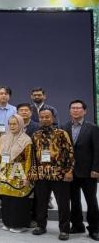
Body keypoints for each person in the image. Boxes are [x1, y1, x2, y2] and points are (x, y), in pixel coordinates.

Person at [29, 108, 74, 241]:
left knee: (63, 204)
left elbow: (70, 153)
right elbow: (33, 156)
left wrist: (69, 171)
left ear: (53, 118)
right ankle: (41, 226)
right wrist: (34, 172)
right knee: (41, 203)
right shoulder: (35, 134)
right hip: (42, 175)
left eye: (47, 117)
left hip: (59, 174)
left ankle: (64, 229)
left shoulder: (61, 133)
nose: (44, 119)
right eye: (42, 117)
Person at [62, 100, 99, 241]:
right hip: (70, 172)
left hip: (88, 172)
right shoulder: (64, 127)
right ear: (70, 111)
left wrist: (96, 168)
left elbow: (97, 150)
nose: (75, 110)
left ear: (85, 111)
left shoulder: (93, 127)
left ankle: (94, 228)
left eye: (78, 108)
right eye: (73, 108)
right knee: (74, 201)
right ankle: (77, 225)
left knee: (91, 201)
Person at [0, 114, 34, 233]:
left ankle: (19, 225)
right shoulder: (3, 138)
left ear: (20, 124)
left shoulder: (26, 140)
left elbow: (29, 160)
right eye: (10, 124)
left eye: (14, 124)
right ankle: (7, 222)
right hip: (4, 173)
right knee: (6, 200)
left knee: (19, 201)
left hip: (19, 174)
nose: (12, 126)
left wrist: (27, 176)